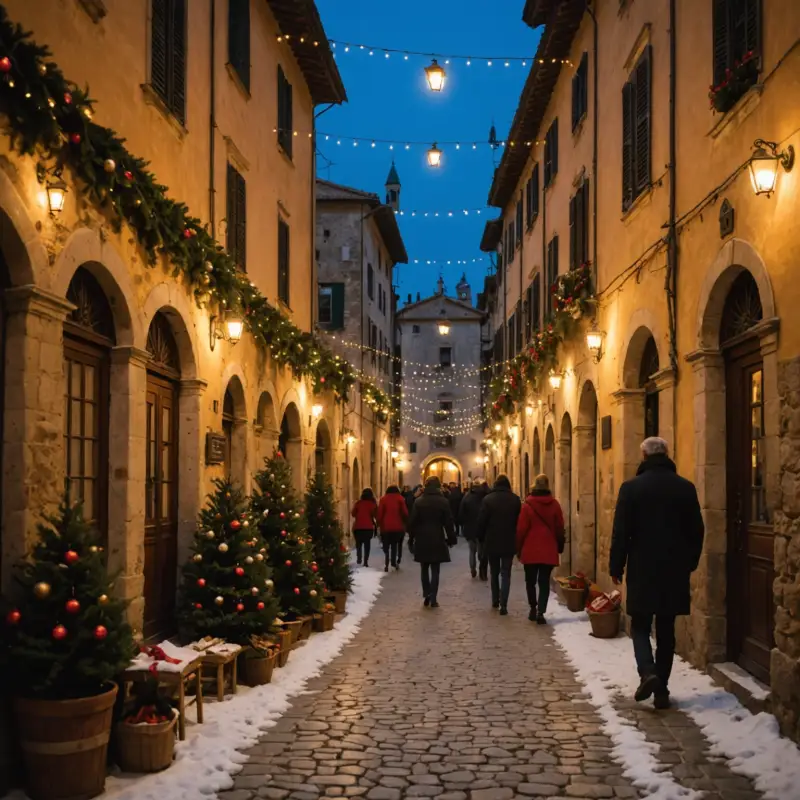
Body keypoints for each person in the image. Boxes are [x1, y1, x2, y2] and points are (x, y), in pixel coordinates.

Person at [610, 437, 704, 710]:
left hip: (642, 567)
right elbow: (696, 530)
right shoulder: (685, 488)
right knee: (666, 628)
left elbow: (621, 533)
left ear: (643, 455)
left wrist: (616, 566)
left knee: (639, 624)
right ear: (667, 454)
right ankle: (661, 689)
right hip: (674, 569)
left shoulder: (631, 488)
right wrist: (690, 562)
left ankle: (648, 671)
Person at [516, 474, 565, 624]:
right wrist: (559, 545)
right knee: (544, 582)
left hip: (530, 549)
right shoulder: (555, 504)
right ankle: (541, 612)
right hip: (548, 548)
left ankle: (533, 607)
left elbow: (521, 530)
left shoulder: (527, 506)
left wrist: (518, 548)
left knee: (530, 581)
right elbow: (559, 527)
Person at [407, 476, 456, 608]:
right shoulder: (443, 502)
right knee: (435, 569)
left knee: (424, 567)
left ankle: (426, 593)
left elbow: (412, 522)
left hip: (422, 538)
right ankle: (433, 597)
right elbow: (448, 522)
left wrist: (411, 539)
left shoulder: (419, 502)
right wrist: (451, 538)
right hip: (437, 537)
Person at [477, 474, 521, 615]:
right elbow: (518, 522)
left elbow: (482, 521)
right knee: (506, 573)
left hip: (492, 540)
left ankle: (495, 600)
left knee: (494, 572)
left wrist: (481, 537)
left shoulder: (488, 500)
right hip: (508, 540)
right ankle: (504, 604)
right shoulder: (515, 500)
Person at [377, 485, 408, 572]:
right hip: (398, 527)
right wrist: (405, 521)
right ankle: (394, 562)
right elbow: (405, 512)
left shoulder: (383, 499)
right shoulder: (400, 498)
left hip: (385, 527)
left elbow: (380, 513)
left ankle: (387, 563)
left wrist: (378, 523)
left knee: (386, 545)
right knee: (394, 545)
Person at [460, 481, 488, 578]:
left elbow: (461, 514)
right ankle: (482, 569)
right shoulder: (485, 497)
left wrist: (463, 525)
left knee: (472, 551)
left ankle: (472, 568)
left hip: (470, 528)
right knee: (481, 550)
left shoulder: (466, 497)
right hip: (482, 529)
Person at [351, 488, 378, 568]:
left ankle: (359, 558)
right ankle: (365, 561)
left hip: (358, 527)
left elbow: (353, 513)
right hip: (368, 528)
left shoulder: (358, 503)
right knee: (367, 545)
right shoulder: (372, 504)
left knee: (358, 544)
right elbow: (375, 515)